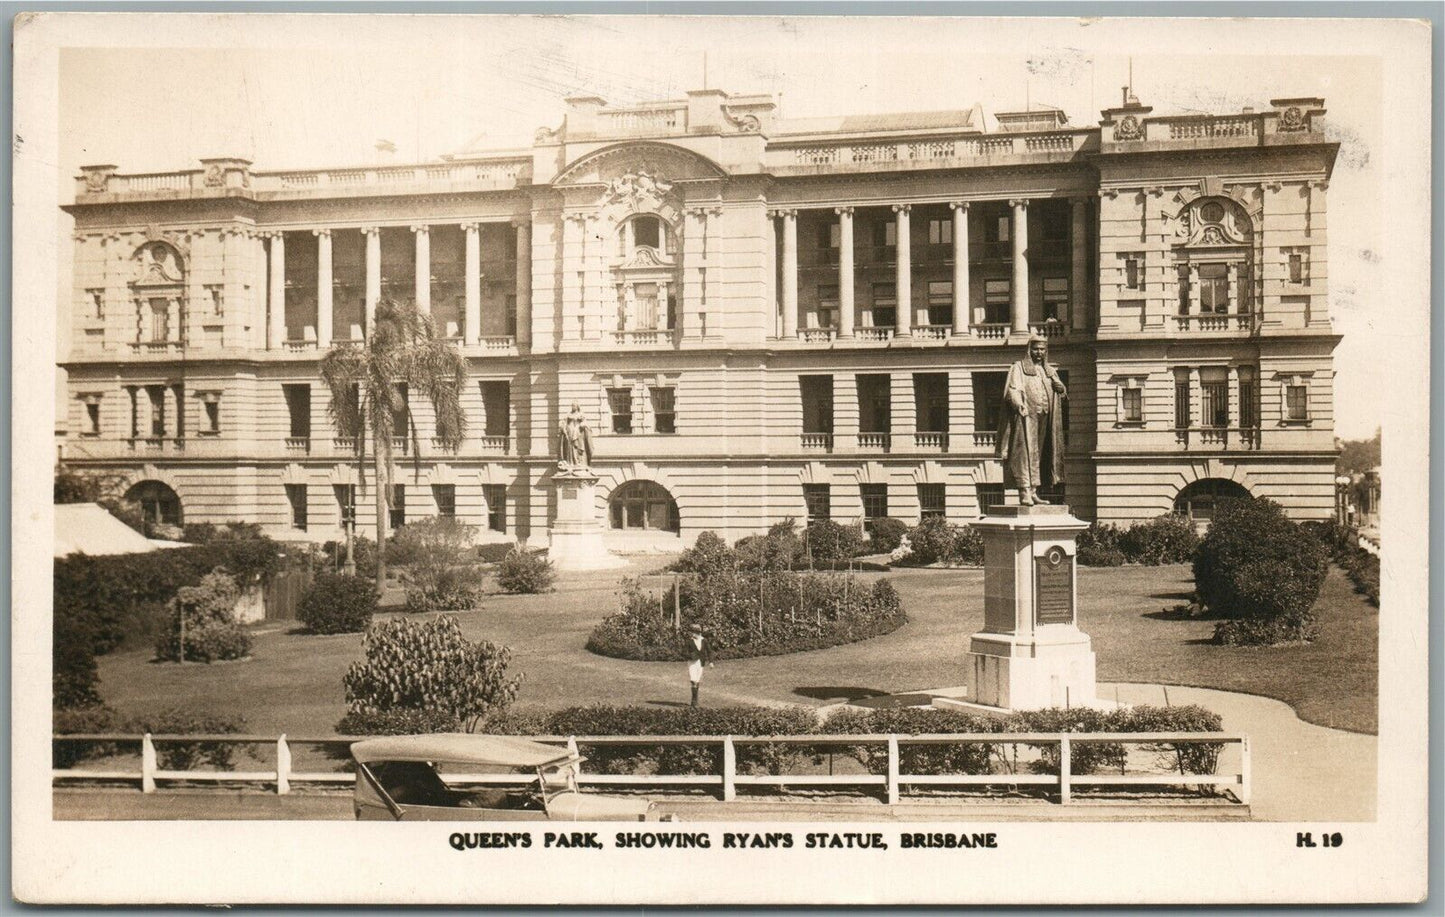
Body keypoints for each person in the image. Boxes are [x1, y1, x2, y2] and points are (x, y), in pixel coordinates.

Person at [996, 332, 1067, 506]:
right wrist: (1018, 403)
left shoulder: (1049, 371)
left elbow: (1062, 394)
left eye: (1042, 349)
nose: (1039, 353)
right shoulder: (1019, 368)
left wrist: (1061, 388)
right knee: (1025, 454)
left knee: (1040, 454)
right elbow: (1012, 390)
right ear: (1029, 350)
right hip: (1026, 418)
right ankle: (1024, 491)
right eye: (1036, 349)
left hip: (1046, 419)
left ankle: (1034, 491)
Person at [556, 402, 593, 472]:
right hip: (569, 432)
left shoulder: (581, 414)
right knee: (570, 447)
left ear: (577, 406)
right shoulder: (568, 414)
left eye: (574, 405)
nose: (573, 407)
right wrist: (563, 429)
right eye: (572, 405)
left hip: (578, 433)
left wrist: (582, 425)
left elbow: (585, 423)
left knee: (577, 448)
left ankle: (578, 462)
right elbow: (564, 423)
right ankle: (570, 462)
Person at [683, 623, 712, 708]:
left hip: (701, 663)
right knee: (693, 680)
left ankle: (695, 698)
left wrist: (711, 661)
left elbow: (709, 651)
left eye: (693, 632)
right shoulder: (689, 641)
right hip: (692, 663)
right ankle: (694, 701)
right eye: (691, 632)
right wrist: (690, 656)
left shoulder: (704, 640)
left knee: (698, 680)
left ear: (697, 632)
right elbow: (683, 652)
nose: (691, 634)